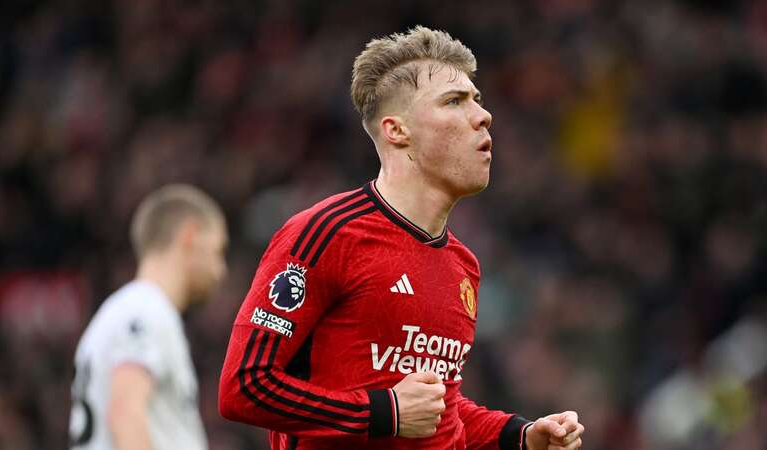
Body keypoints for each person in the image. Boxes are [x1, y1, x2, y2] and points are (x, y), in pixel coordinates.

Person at [218, 26, 585, 450]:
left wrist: (519, 434)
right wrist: (382, 413)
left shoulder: (462, 264)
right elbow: (244, 386)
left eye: (477, 101)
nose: (484, 116)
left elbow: (438, 408)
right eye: (454, 101)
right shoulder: (326, 234)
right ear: (397, 131)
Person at [69, 184, 228, 450]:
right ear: (191, 236)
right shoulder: (146, 311)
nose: (220, 270)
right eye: (218, 251)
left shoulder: (126, 309)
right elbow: (124, 414)